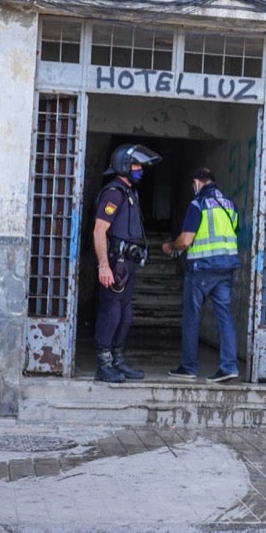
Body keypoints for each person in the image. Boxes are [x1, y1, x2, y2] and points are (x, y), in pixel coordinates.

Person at [162, 167, 241, 383]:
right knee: (225, 317)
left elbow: (185, 241)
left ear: (197, 182)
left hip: (202, 269)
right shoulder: (229, 204)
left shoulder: (198, 204)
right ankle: (229, 366)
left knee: (192, 316)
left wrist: (170, 247)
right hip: (226, 268)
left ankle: (188, 367)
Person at [91, 143, 161, 383]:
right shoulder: (114, 193)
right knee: (111, 312)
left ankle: (118, 360)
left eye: (140, 165)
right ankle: (104, 364)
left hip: (127, 263)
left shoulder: (129, 193)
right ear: (123, 165)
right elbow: (99, 230)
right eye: (135, 165)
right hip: (114, 262)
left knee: (125, 314)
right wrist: (103, 266)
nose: (139, 169)